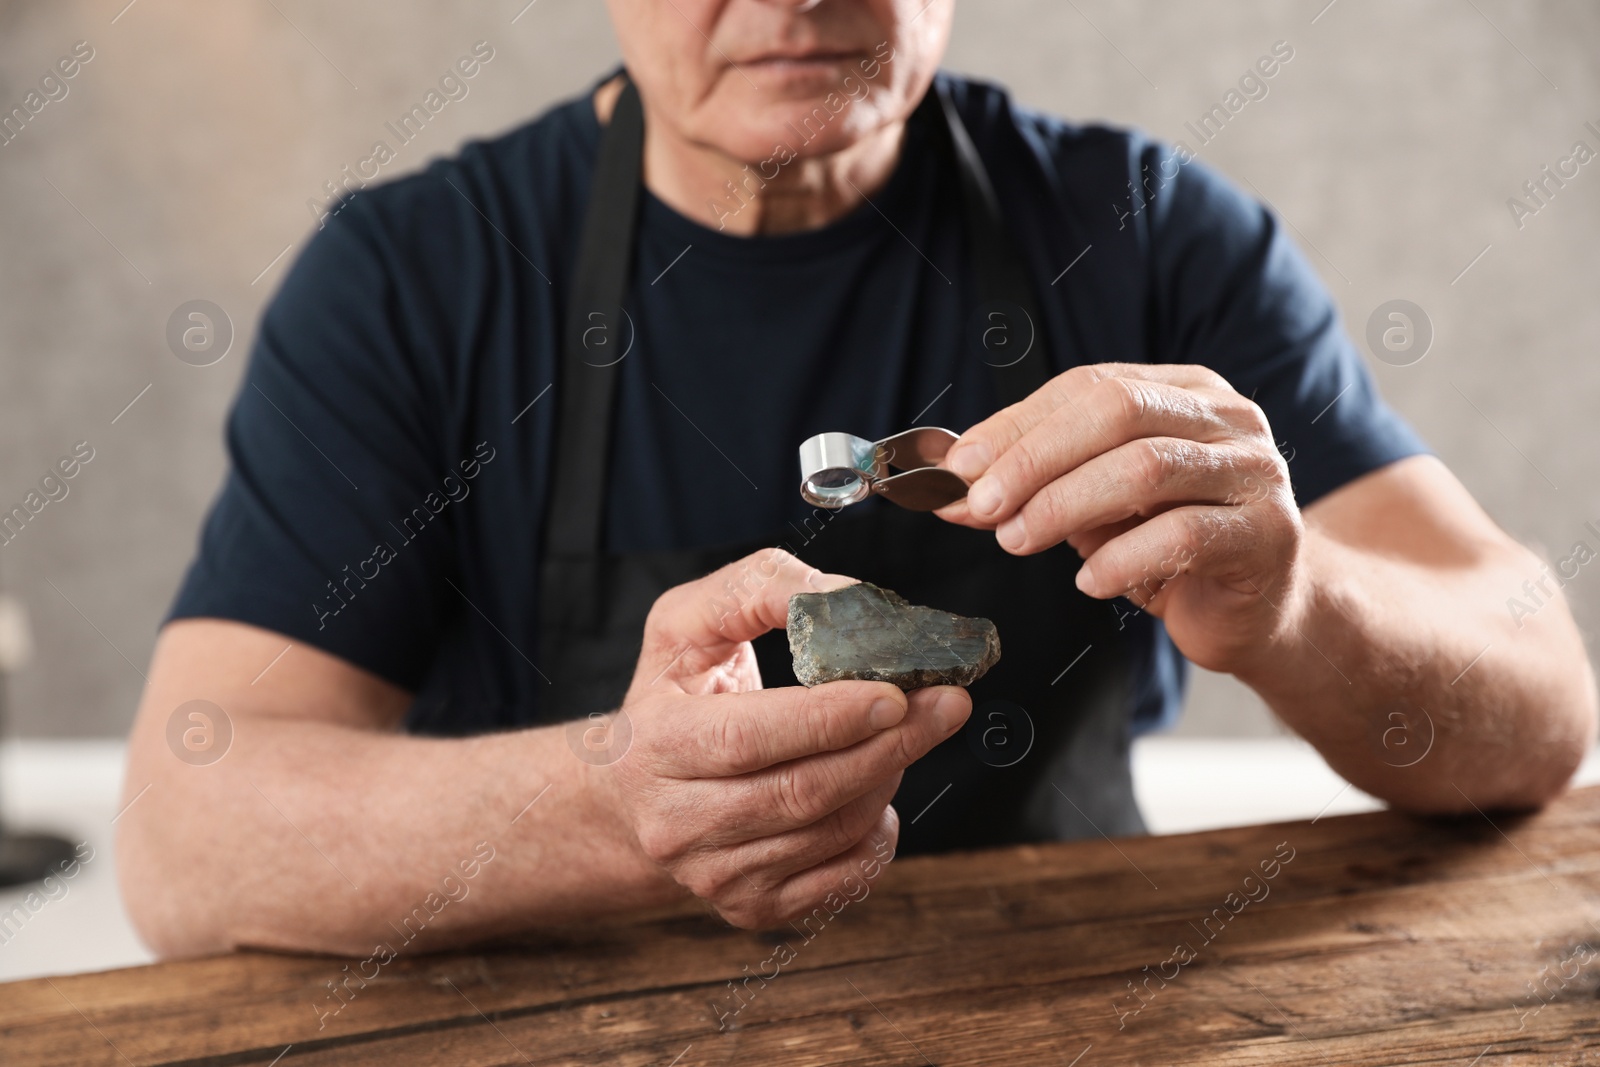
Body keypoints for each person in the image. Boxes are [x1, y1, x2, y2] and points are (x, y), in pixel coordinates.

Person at [117, 0, 1594, 959]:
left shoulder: (1149, 234)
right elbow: (189, 842)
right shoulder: (412, 280)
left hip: (1084, 1015)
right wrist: (619, 805)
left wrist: (1294, 601)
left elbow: (1542, 715)